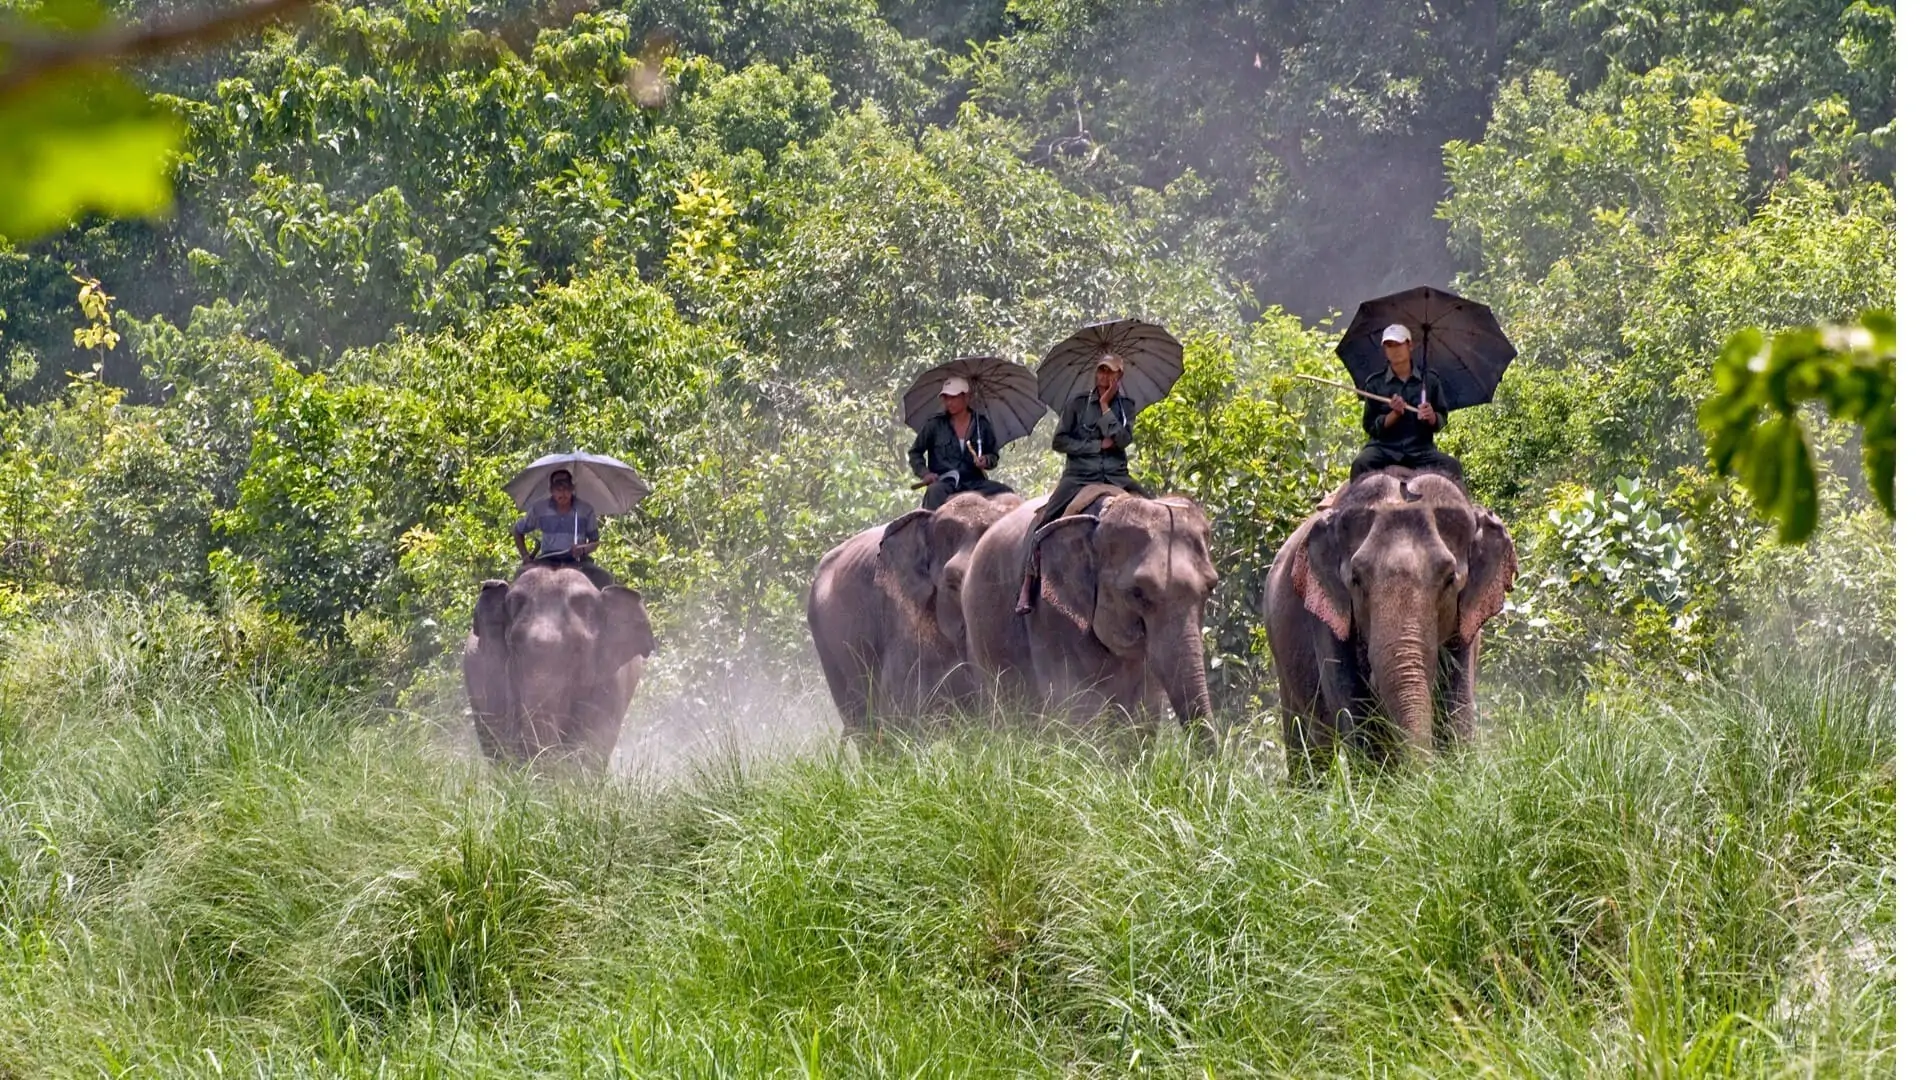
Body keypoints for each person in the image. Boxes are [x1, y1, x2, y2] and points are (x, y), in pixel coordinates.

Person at [1013, 354, 1151, 615]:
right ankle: (1028, 583)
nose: (1104, 376)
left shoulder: (1125, 407)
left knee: (1154, 514)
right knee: (1043, 523)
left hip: (1116, 475)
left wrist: (1105, 406)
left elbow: (1122, 440)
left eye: (1110, 372)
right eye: (1100, 371)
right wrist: (1095, 446)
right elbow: (1060, 442)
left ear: (1119, 377)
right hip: (1078, 476)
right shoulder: (1075, 405)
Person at [1349, 323, 1465, 486]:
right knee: (1360, 463)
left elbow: (1441, 418)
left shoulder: (1430, 380)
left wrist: (1431, 417)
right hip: (1384, 449)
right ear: (1384, 349)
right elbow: (1370, 427)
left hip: (1421, 450)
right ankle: (1354, 510)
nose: (1394, 349)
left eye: (1398, 344)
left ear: (1410, 345)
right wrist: (1393, 415)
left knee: (1452, 466)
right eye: (1389, 345)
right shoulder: (1375, 384)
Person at [908, 377, 1016, 510]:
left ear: (966, 397)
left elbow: (993, 455)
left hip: (974, 481)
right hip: (945, 482)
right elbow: (915, 453)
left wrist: (986, 460)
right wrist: (925, 473)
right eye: (946, 398)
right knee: (934, 492)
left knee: (1006, 492)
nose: (948, 402)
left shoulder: (981, 425)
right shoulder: (934, 425)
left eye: (953, 397)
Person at [512, 468, 614, 587]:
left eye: (566, 488)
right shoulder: (539, 509)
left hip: (578, 561)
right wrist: (525, 556)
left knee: (605, 577)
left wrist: (583, 549)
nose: (563, 493)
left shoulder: (585, 510)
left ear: (572, 489)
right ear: (551, 491)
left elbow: (595, 542)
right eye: (558, 489)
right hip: (547, 560)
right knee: (520, 575)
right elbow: (517, 530)